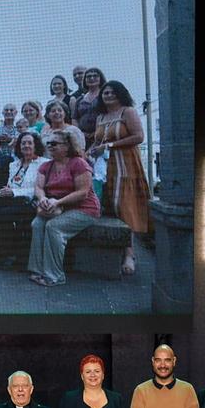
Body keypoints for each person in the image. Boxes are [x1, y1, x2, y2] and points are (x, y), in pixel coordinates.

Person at [87, 80, 149, 274]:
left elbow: (139, 136)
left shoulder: (127, 112)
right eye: (105, 93)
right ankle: (118, 250)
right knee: (110, 206)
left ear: (120, 93)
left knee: (125, 207)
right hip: (104, 168)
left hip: (126, 165)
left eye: (112, 92)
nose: (108, 95)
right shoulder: (101, 117)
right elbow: (98, 141)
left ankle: (130, 254)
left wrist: (110, 146)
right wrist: (88, 153)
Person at [26, 127, 101, 287]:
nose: (50, 146)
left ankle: (54, 276)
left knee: (54, 227)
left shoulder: (79, 164)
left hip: (84, 208)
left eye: (54, 143)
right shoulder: (46, 166)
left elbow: (83, 192)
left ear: (67, 146)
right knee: (37, 224)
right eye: (48, 143)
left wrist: (58, 202)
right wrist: (43, 198)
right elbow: (38, 187)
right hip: (57, 207)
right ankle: (37, 269)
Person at [0, 132, 43, 270]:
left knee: (6, 213)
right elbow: (11, 183)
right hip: (13, 198)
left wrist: (14, 192)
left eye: (29, 143)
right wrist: (6, 190)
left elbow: (38, 188)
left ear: (36, 145)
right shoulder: (14, 164)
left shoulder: (43, 163)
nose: (26, 146)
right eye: (23, 143)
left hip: (29, 200)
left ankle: (16, 257)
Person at [72, 67, 106, 147]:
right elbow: (74, 118)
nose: (92, 78)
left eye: (95, 76)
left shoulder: (105, 96)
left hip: (102, 137)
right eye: (88, 76)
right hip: (83, 138)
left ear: (101, 78)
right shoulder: (80, 99)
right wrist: (79, 132)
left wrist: (97, 132)